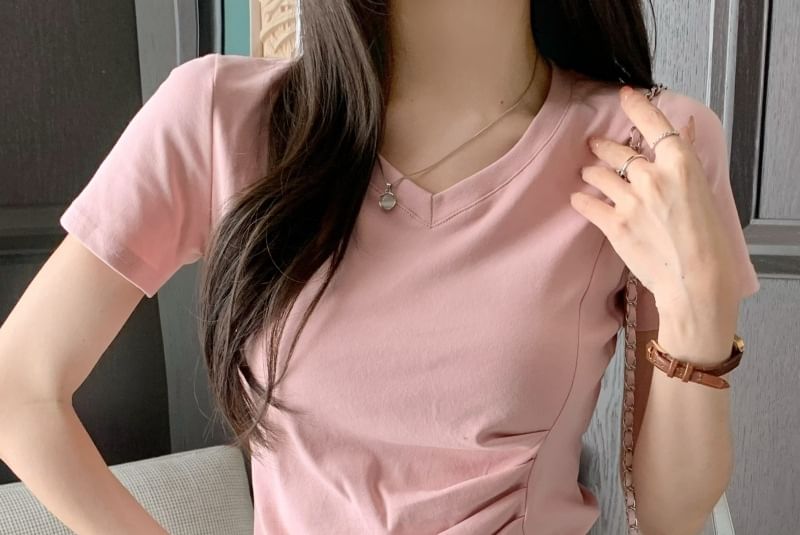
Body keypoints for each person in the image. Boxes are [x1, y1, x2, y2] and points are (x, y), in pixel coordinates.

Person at [0, 1, 760, 534]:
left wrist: (699, 312)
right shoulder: (219, 118)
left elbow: (670, 515)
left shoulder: (652, 145)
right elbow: (19, 390)